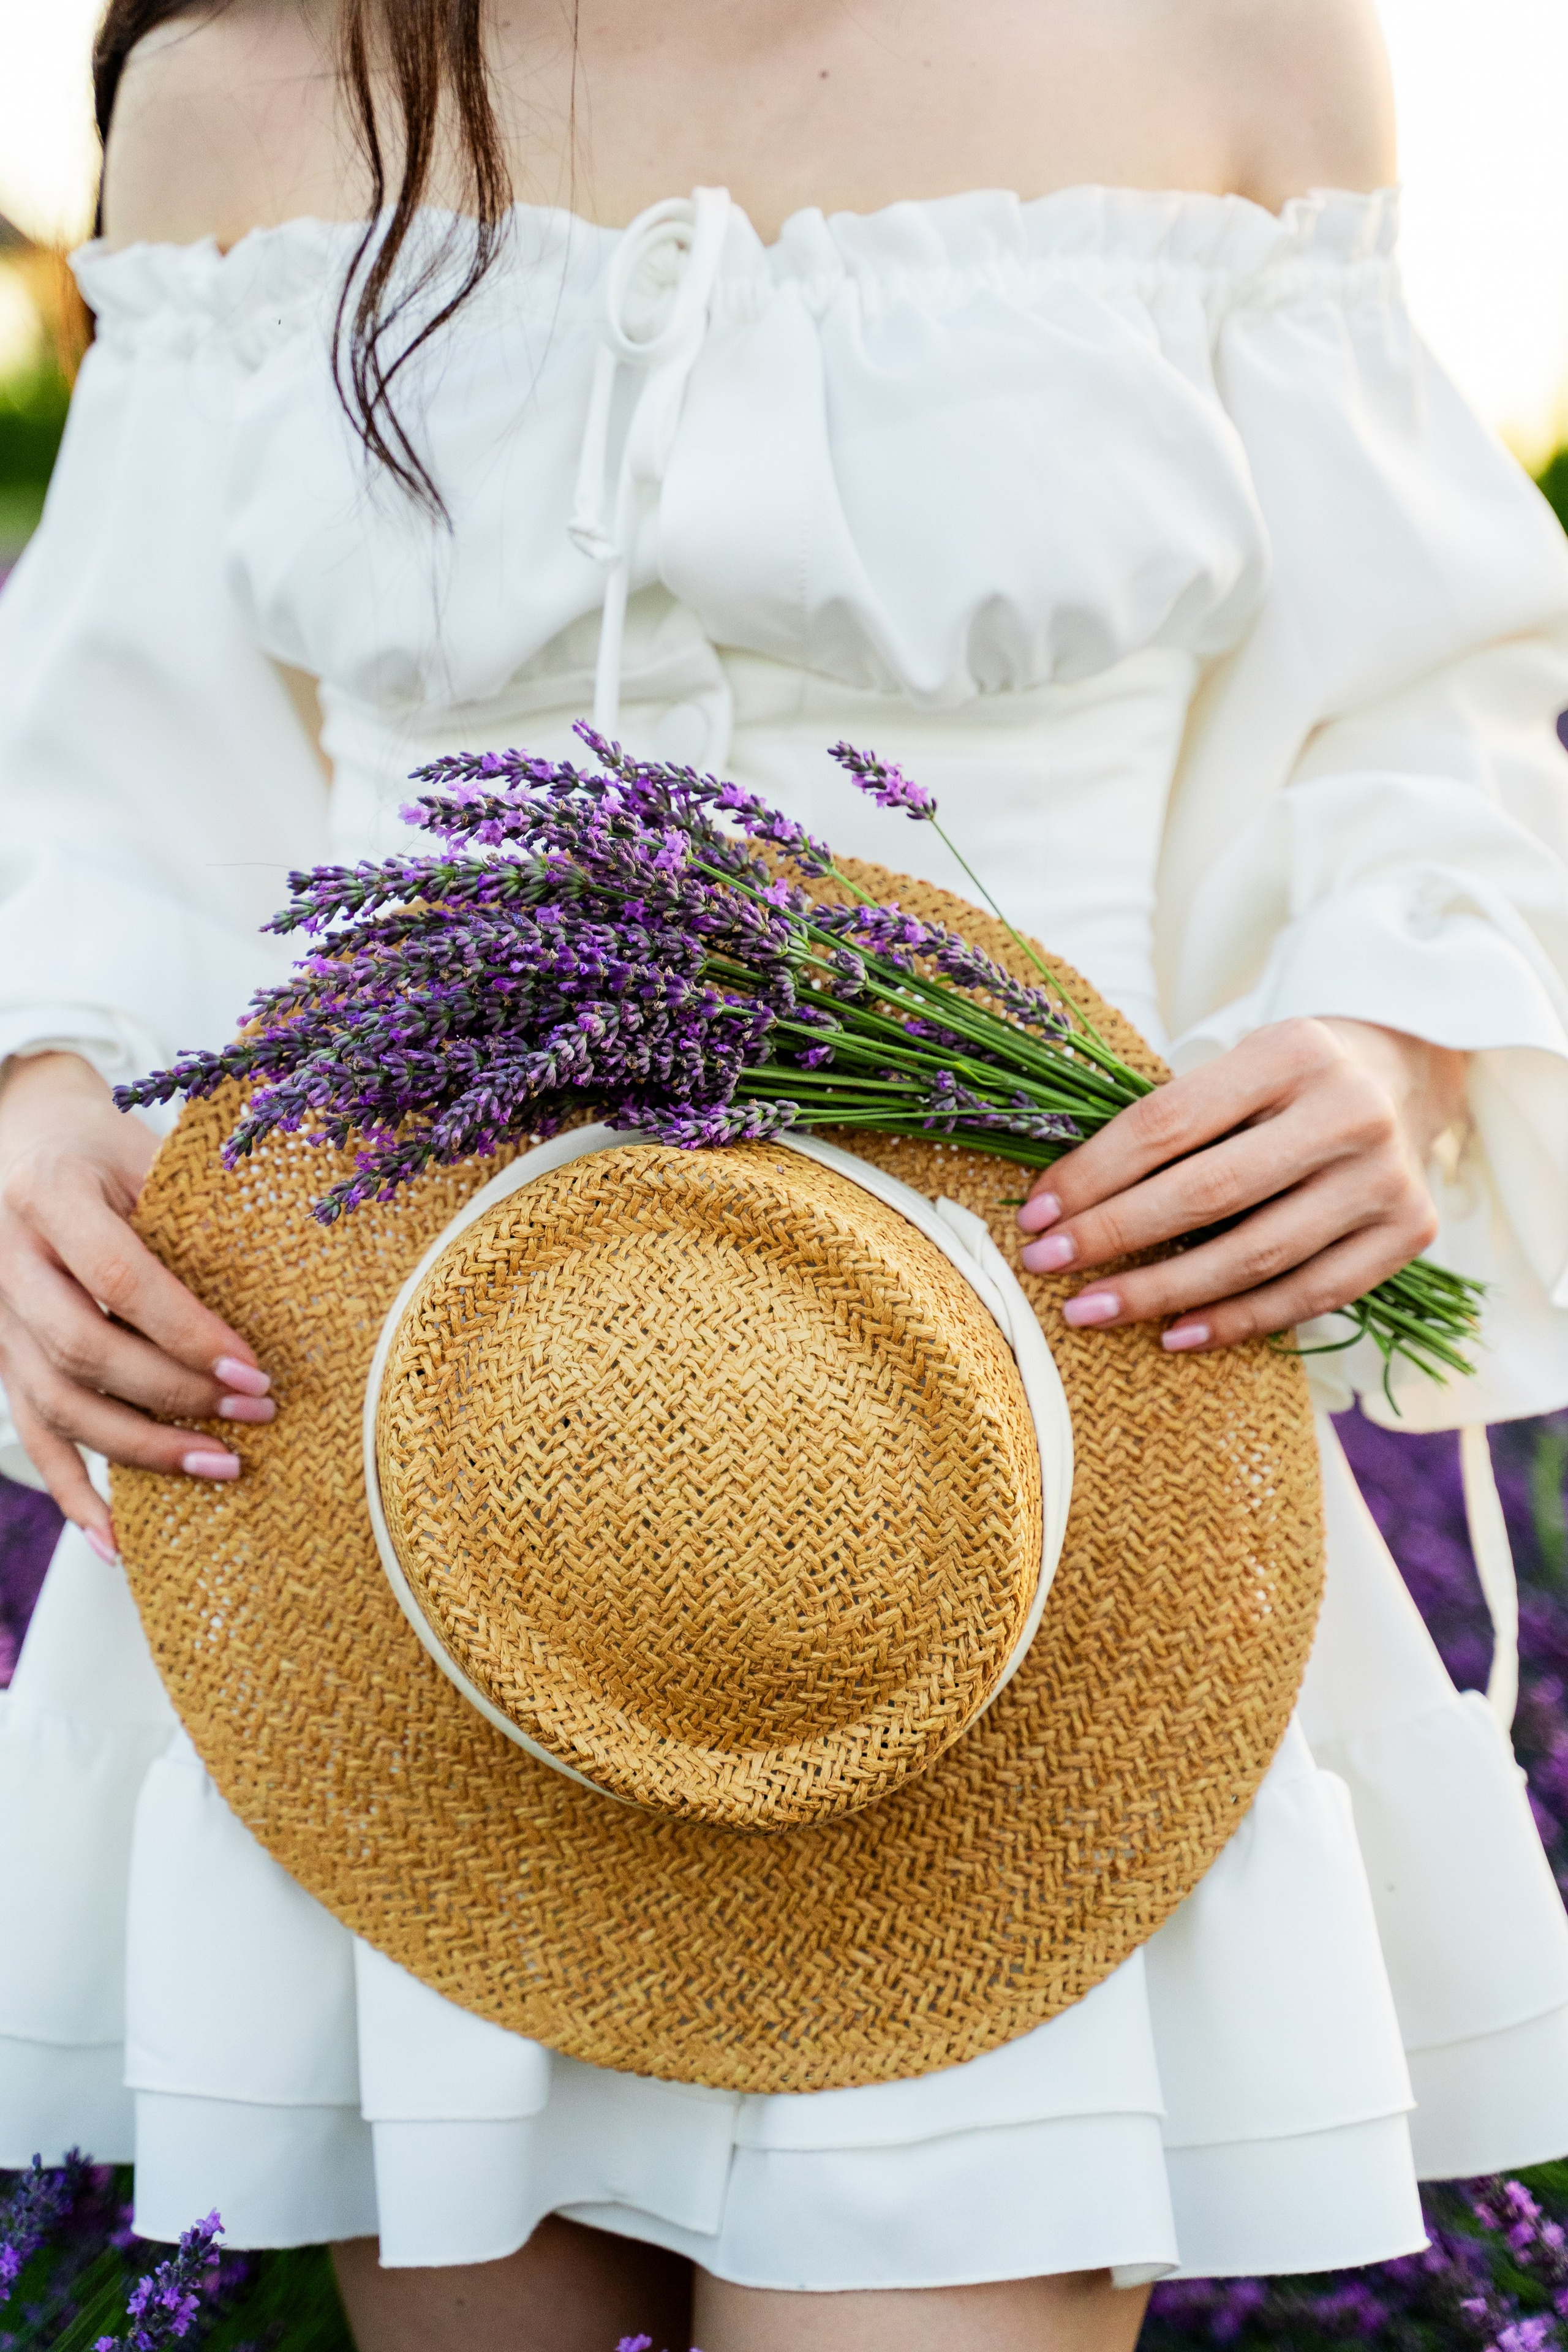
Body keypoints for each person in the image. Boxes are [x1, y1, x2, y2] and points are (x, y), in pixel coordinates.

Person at [2, 0, 1568, 2346]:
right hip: (387, 1474)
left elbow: (1428, 706)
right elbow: (113, 776)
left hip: (1038, 1470)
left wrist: (1390, 1038)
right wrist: (39, 1098)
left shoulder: (1225, 46)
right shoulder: (247, 89)